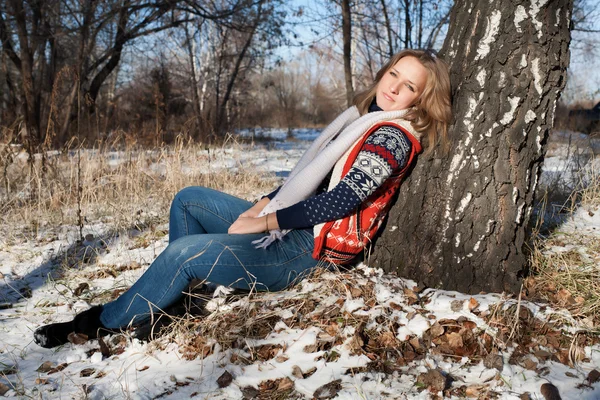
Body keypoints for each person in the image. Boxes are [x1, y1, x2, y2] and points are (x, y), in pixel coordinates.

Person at [34, 49, 452, 348]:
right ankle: (181, 304)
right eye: (394, 74)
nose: (394, 87)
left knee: (184, 254)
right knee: (189, 200)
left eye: (409, 85)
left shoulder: (393, 137)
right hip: (293, 227)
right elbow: (315, 178)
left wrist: (267, 222)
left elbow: (341, 200)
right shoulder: (363, 120)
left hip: (309, 250)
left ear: (422, 99)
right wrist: (263, 202)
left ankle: (99, 323)